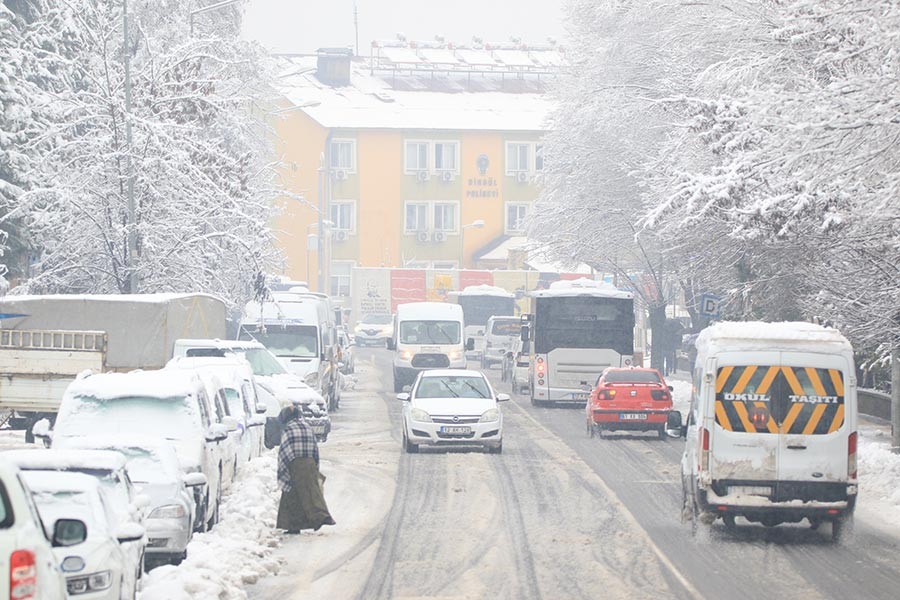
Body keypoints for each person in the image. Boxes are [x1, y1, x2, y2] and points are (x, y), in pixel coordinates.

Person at [276, 405, 335, 534]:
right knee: (311, 493)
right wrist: (315, 467)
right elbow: (315, 449)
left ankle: (298, 525)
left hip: (295, 464)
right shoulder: (307, 427)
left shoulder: (288, 429)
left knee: (292, 495)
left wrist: (283, 471)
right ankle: (317, 518)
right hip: (309, 463)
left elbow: (284, 452)